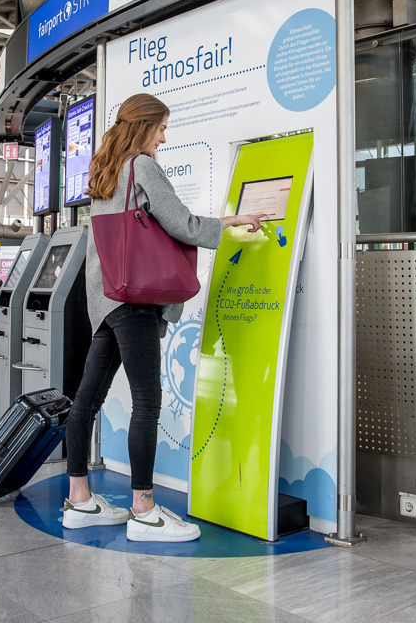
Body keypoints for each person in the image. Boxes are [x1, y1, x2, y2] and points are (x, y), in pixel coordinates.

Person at [62, 93, 267, 542]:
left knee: (86, 402)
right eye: (161, 128)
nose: (163, 137)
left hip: (108, 299)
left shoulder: (106, 170)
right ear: (144, 127)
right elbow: (182, 224)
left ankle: (79, 501)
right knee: (147, 404)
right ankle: (144, 510)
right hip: (133, 302)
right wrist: (231, 222)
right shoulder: (142, 166)